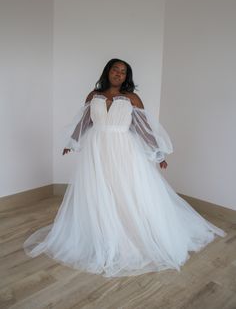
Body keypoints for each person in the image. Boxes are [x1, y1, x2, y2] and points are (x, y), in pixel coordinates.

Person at [24, 58, 227, 277]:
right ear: (107, 72)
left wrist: (158, 153)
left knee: (124, 189)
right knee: (99, 189)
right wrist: (71, 143)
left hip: (123, 149)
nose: (119, 74)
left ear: (126, 77)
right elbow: (85, 122)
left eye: (123, 71)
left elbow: (144, 128)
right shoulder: (94, 96)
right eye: (115, 69)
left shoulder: (132, 98)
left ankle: (128, 231)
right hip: (97, 148)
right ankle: (102, 230)